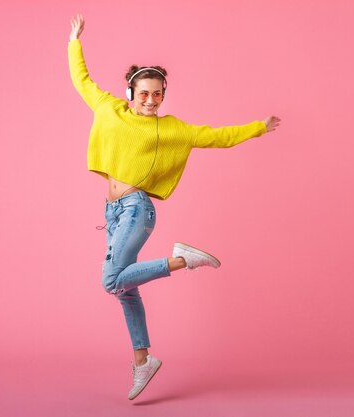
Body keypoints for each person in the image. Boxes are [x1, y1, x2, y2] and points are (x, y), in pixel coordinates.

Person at [68, 14, 280, 400]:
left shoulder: (172, 129)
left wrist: (258, 127)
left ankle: (181, 260)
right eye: (144, 93)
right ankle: (143, 361)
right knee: (124, 288)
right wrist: (73, 41)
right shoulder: (108, 108)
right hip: (112, 212)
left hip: (136, 209)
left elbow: (217, 137)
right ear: (131, 92)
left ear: (164, 94)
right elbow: (82, 80)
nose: (151, 100)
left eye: (158, 94)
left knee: (111, 280)